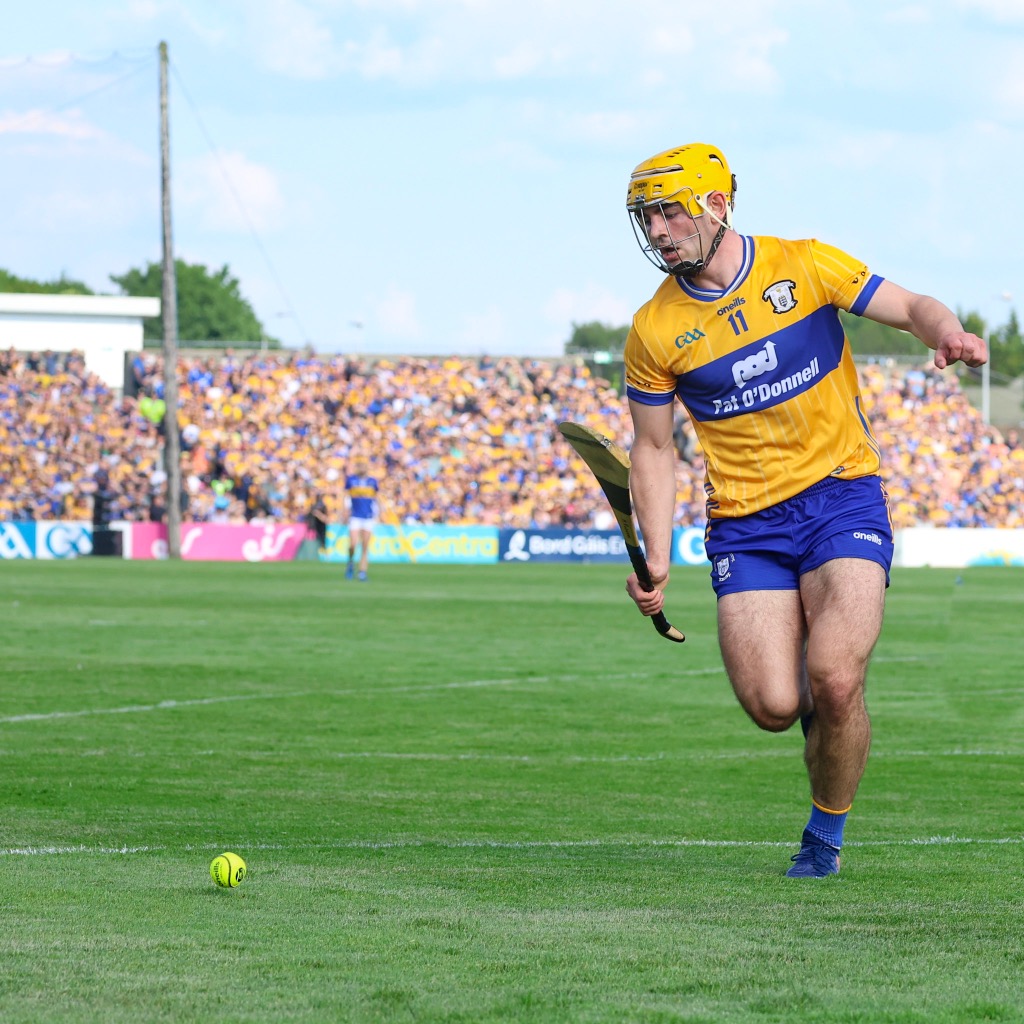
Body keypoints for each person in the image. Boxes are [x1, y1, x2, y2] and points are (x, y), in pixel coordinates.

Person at [620, 143, 987, 877]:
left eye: (669, 211)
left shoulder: (805, 264)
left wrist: (943, 331)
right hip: (745, 526)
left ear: (716, 207)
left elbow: (910, 305)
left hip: (840, 495)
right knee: (774, 706)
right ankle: (819, 708)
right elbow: (654, 450)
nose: (657, 230)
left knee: (838, 675)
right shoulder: (654, 332)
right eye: (645, 217)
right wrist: (656, 554)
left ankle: (823, 838)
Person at [344, 458, 379, 581]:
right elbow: (345, 496)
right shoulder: (351, 480)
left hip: (368, 517)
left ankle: (362, 572)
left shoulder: (373, 481)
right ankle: (350, 562)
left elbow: (376, 498)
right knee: (353, 544)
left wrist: (379, 513)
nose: (362, 468)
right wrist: (344, 512)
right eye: (360, 466)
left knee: (365, 546)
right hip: (355, 516)